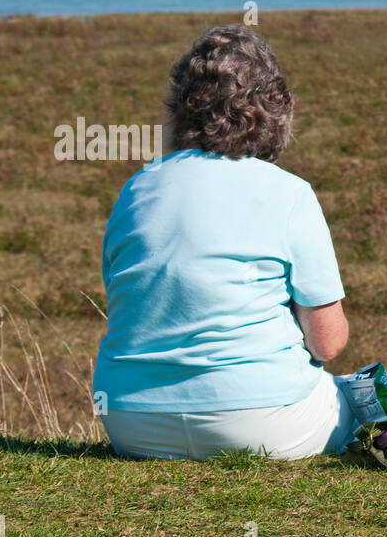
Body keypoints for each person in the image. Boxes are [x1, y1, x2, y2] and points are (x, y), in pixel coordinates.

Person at [93, 25, 354, 460]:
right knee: (351, 395)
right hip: (260, 421)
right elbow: (327, 343)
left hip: (130, 423)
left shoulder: (136, 189)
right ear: (274, 109)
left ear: (180, 106)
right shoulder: (289, 193)